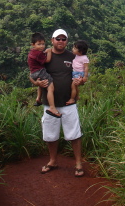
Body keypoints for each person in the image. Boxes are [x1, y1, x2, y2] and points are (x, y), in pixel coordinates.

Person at [30, 29, 86, 177]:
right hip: (49, 105)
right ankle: (53, 161)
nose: (61, 41)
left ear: (66, 41)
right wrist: (37, 83)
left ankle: (78, 163)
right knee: (50, 135)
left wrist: (81, 81)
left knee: (74, 134)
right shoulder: (44, 56)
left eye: (63, 39)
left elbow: (81, 75)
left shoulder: (73, 56)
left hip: (69, 102)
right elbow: (32, 73)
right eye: (58, 39)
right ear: (52, 39)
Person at [27, 32, 61, 117]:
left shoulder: (32, 52)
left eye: (43, 44)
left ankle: (38, 99)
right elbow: (47, 60)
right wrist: (49, 51)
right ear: (33, 44)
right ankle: (52, 107)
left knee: (41, 85)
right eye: (39, 44)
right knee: (50, 86)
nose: (42, 46)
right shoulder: (38, 53)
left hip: (34, 73)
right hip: (40, 71)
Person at [66, 40, 89, 105]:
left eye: (75, 48)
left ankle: (72, 99)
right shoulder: (76, 56)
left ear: (80, 51)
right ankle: (77, 96)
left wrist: (85, 76)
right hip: (75, 73)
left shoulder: (84, 58)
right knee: (75, 86)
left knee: (73, 85)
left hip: (79, 74)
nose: (73, 49)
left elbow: (86, 68)